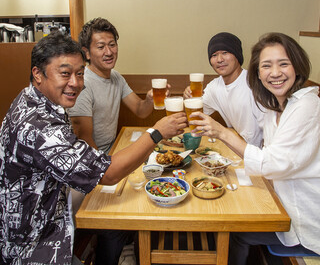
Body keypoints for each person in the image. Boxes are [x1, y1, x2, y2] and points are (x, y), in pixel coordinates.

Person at [0, 31, 187, 265]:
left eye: (79, 74)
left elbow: (139, 110)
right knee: (116, 204)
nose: (76, 83)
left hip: (46, 209)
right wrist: (157, 133)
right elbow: (106, 173)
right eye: (65, 74)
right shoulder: (40, 127)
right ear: (38, 74)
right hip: (33, 245)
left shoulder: (30, 98)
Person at [188, 32, 320, 265]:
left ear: (297, 67)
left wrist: (222, 132)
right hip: (279, 199)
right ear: (258, 73)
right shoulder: (274, 105)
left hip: (304, 218)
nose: (275, 73)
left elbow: (271, 163)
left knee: (235, 230)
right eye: (266, 66)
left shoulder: (307, 105)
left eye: (283, 64)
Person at [68, 17, 167, 154]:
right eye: (101, 47)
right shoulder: (82, 83)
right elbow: (84, 140)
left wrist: (150, 100)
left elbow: (140, 110)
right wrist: (105, 167)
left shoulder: (116, 77)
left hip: (113, 149)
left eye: (112, 45)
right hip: (94, 158)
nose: (109, 52)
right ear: (87, 53)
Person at [184, 32, 264, 147]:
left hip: (260, 154)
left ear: (237, 55)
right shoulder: (214, 87)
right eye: (214, 55)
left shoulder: (254, 83)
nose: (219, 59)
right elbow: (193, 121)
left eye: (225, 53)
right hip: (237, 149)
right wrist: (189, 100)